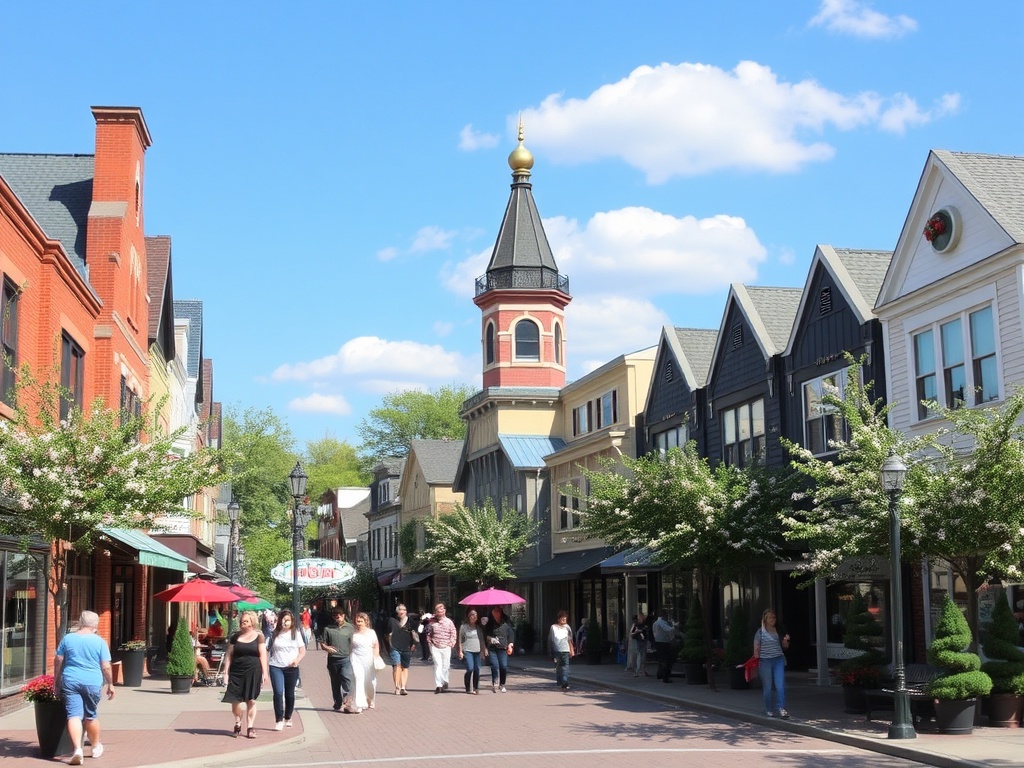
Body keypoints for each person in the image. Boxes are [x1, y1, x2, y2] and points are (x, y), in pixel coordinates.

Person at [54, 610, 114, 765]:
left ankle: (77, 750)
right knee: (90, 715)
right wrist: (110, 684)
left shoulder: (68, 639)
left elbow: (58, 660)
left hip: (71, 680)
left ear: (80, 623)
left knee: (73, 715)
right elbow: (106, 666)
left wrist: (57, 681)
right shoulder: (100, 642)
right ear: (95, 625)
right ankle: (95, 747)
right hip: (92, 682)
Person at [222, 609, 270, 739]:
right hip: (236, 671)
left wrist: (265, 673)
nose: (243, 623)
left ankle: (250, 727)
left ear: (252, 622)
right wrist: (226, 672)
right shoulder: (235, 637)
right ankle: (238, 721)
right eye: (242, 621)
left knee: (251, 700)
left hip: (253, 670)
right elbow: (229, 655)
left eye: (246, 621)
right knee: (234, 701)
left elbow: (263, 655)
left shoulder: (259, 636)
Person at [268, 609, 306, 730]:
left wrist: (297, 660)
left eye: (287, 620)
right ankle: (279, 720)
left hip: (291, 667)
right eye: (283, 620)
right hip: (275, 666)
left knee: (289, 694)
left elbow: (302, 651)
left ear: (292, 621)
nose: (285, 623)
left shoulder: (295, 633)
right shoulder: (274, 633)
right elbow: (267, 649)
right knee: (278, 692)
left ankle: (288, 717)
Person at [754, 608, 790, 719]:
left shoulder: (778, 631)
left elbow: (785, 647)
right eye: (769, 617)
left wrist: (785, 641)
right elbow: (756, 649)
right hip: (765, 661)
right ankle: (768, 709)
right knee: (768, 687)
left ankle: (781, 708)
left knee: (780, 686)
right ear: (764, 619)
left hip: (778, 659)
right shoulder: (760, 632)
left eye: (773, 617)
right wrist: (757, 659)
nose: (772, 619)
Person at [320, 606, 354, 711]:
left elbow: (353, 642)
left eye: (340, 615)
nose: (338, 617)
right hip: (333, 660)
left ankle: (347, 703)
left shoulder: (350, 628)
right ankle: (338, 702)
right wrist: (326, 648)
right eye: (335, 615)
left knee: (347, 678)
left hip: (346, 659)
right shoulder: (328, 628)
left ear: (344, 616)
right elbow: (322, 643)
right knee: (335, 682)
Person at [349, 612, 382, 713]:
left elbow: (376, 646)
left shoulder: (371, 632)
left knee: (370, 682)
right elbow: (350, 646)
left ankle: (370, 699)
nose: (358, 623)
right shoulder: (353, 633)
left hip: (368, 658)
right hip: (356, 658)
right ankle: (359, 705)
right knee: (358, 679)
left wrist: (376, 657)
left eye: (361, 621)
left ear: (366, 621)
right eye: (357, 621)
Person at [425, 602, 457, 693]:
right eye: (438, 611)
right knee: (438, 665)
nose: (440, 612)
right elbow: (428, 633)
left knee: (446, 665)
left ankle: (445, 680)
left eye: (442, 610)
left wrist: (452, 642)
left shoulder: (449, 622)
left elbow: (453, 631)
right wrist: (429, 642)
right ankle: (438, 685)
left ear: (444, 611)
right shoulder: (432, 622)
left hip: (446, 646)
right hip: (435, 646)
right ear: (436, 612)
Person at [386, 604, 417, 695]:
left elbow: (416, 634)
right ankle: (397, 687)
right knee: (397, 665)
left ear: (406, 611)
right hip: (395, 646)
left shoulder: (411, 621)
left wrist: (414, 644)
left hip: (407, 646)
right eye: (400, 609)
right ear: (397, 611)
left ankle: (403, 687)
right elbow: (387, 632)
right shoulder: (392, 621)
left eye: (404, 609)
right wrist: (389, 644)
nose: (402, 611)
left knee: (405, 667)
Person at [456, 608, 488, 694]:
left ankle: (475, 687)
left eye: (476, 615)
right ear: (469, 616)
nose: (474, 617)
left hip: (477, 650)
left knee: (477, 669)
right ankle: (467, 687)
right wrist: (460, 651)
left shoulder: (478, 628)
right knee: (470, 668)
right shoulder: (463, 627)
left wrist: (484, 649)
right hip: (467, 650)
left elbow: (481, 640)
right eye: (472, 615)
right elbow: (460, 640)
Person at [483, 606, 515, 692]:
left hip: (503, 647)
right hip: (492, 648)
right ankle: (495, 682)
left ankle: (502, 684)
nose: (495, 614)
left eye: (496, 612)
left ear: (500, 613)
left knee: (503, 666)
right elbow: (485, 635)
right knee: (494, 665)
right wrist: (490, 639)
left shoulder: (506, 624)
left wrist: (510, 645)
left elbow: (511, 634)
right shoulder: (489, 624)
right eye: (493, 613)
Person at [548, 610, 575, 691]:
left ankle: (564, 682)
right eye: (562, 618)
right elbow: (551, 639)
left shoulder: (567, 627)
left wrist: (571, 649)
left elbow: (570, 639)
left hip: (565, 649)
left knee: (565, 666)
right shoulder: (553, 627)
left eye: (565, 618)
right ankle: (560, 681)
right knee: (559, 666)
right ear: (558, 619)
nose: (564, 619)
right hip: (556, 650)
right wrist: (550, 651)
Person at [652, 609, 678, 682]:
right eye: (666, 614)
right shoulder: (661, 622)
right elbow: (668, 630)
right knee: (666, 660)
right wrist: (674, 627)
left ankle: (660, 675)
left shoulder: (656, 623)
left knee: (661, 660)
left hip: (658, 642)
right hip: (664, 642)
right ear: (664, 615)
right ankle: (665, 677)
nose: (667, 616)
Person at [628, 611, 649, 677]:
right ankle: (638, 670)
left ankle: (642, 670)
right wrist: (637, 632)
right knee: (640, 654)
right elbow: (631, 633)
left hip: (643, 640)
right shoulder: (636, 624)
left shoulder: (645, 624)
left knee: (643, 655)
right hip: (639, 640)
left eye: (642, 616)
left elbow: (647, 631)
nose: (641, 618)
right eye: (640, 617)